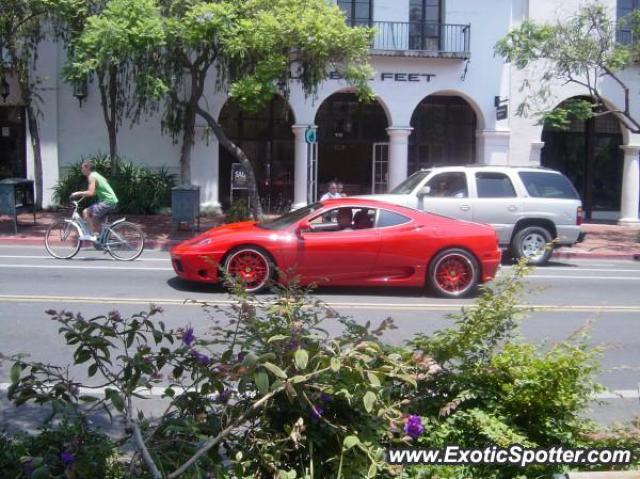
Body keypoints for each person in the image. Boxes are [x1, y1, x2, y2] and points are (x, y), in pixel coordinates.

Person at [70, 160, 119, 240]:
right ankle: (101, 237)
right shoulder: (96, 175)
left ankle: (94, 235)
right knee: (95, 216)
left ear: (87, 167)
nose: (81, 170)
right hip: (110, 200)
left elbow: (91, 193)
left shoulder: (92, 176)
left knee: (86, 212)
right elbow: (104, 182)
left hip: (108, 201)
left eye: (82, 168)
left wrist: (77, 193)